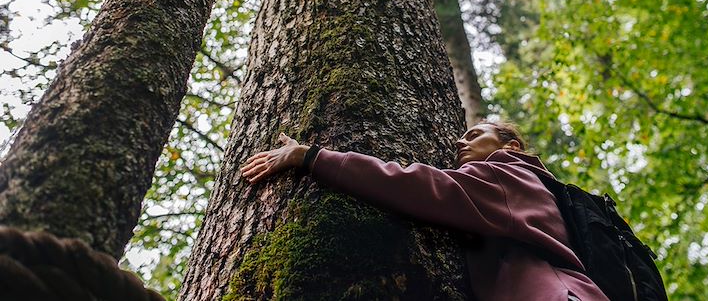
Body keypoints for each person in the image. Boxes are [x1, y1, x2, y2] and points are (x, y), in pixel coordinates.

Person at [241, 120, 609, 301]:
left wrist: (311, 157)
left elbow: (420, 185)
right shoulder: (531, 188)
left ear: (510, 145)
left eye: (474, 134)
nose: (459, 141)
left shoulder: (508, 174)